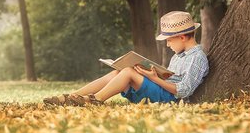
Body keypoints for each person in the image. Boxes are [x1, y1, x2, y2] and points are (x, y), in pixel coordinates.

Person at [43, 11, 209, 106]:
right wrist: (151, 73)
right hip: (163, 90)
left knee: (128, 72)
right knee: (119, 72)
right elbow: (171, 78)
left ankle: (94, 100)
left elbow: (184, 90)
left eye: (169, 40)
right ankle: (72, 96)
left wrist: (154, 79)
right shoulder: (178, 56)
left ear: (181, 37)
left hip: (171, 99)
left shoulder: (197, 58)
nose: (167, 45)